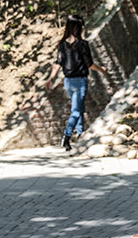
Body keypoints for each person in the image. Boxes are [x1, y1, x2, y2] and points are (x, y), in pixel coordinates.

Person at [45, 14, 107, 150]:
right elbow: (89, 64)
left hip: (68, 81)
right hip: (80, 81)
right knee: (76, 111)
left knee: (78, 108)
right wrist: (101, 70)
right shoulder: (82, 44)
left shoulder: (62, 44)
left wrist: (51, 78)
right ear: (78, 27)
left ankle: (80, 134)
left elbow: (58, 63)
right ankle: (66, 137)